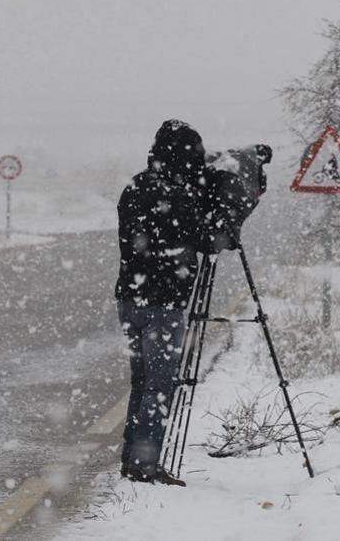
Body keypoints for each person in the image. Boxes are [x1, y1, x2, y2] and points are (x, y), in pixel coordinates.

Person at [115, 119, 210, 486]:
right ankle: (146, 464)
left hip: (130, 297)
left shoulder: (135, 186)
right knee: (159, 386)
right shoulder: (175, 195)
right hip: (163, 303)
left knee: (141, 382)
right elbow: (202, 238)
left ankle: (132, 459)